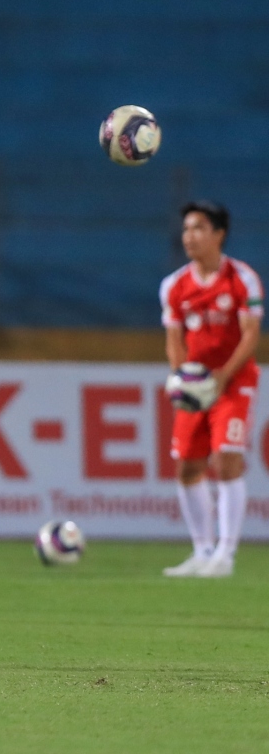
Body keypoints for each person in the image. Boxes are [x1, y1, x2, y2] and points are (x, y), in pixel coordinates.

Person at [160, 201, 262, 578]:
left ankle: (226, 554)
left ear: (219, 234)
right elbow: (174, 338)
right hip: (195, 386)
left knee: (226, 460)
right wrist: (179, 375)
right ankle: (202, 551)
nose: (190, 236)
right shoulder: (174, 286)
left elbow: (251, 335)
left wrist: (222, 377)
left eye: (199, 228)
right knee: (187, 467)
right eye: (186, 228)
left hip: (234, 382)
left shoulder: (242, 279)